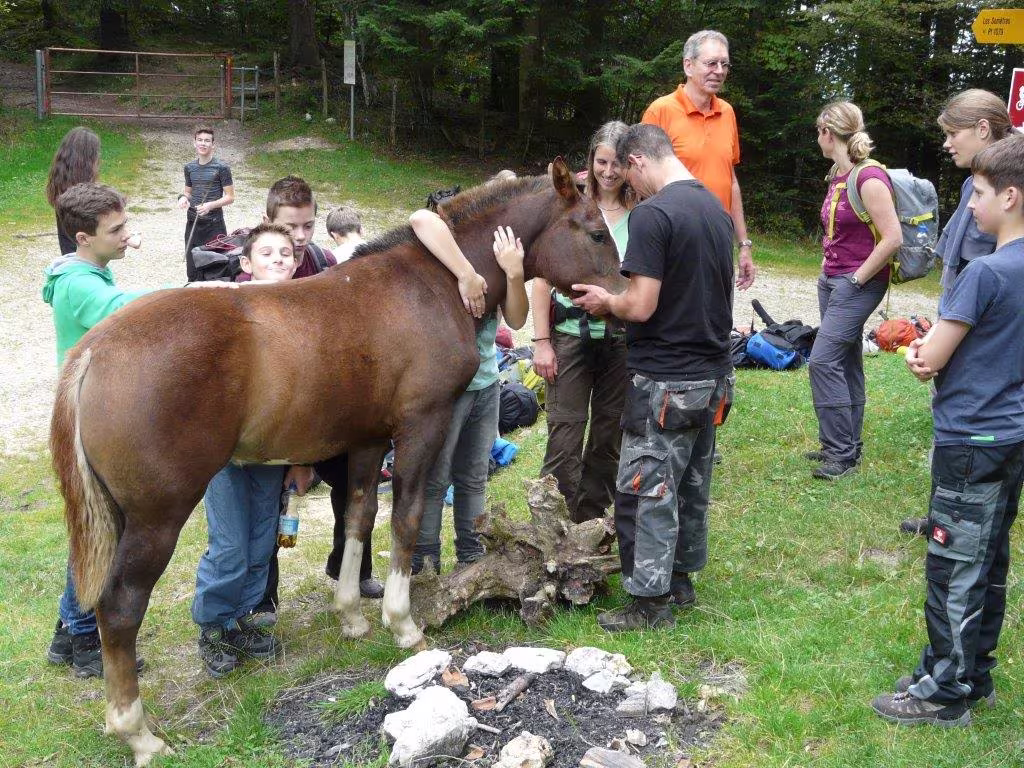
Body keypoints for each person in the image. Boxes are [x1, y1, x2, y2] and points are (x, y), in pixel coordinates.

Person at [43, 183, 232, 677]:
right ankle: (82, 635)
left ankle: (71, 631)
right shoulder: (80, 284)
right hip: (95, 414)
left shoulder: (88, 271)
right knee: (100, 527)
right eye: (117, 229)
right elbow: (127, 309)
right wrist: (192, 293)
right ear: (83, 238)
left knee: (101, 525)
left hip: (96, 408)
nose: (128, 236)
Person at [870, 134, 1024, 727]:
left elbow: (931, 356)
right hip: (1010, 436)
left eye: (979, 194)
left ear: (1009, 196)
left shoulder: (985, 272)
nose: (972, 205)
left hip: (969, 439)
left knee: (953, 564)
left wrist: (917, 357)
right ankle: (973, 671)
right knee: (989, 558)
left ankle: (943, 691)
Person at [572, 124, 734, 631]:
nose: (627, 184)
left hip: (665, 378)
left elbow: (640, 305)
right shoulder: (714, 208)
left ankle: (649, 602)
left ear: (639, 162)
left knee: (645, 488)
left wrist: (605, 302)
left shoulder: (653, 214)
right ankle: (681, 580)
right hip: (712, 375)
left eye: (627, 173)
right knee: (690, 484)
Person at [192, 224, 312, 678]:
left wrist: (301, 457)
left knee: (263, 539)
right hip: (227, 452)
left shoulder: (303, 315)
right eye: (267, 253)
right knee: (229, 544)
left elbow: (307, 397)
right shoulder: (226, 308)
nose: (279, 259)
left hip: (274, 453)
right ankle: (214, 625)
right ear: (246, 264)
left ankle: (241, 617)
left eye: (286, 252)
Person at [899, 89, 1012, 536]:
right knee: (946, 412)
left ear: (983, 129)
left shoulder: (1005, 187)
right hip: (958, 316)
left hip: (980, 330)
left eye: (953, 133)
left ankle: (953, 521)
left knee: (967, 422)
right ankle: (943, 513)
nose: (946, 143)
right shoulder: (974, 180)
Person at [410, 210, 529, 574]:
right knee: (434, 478)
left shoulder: (501, 257)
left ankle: (471, 559)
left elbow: (518, 320)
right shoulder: (449, 250)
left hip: (487, 383)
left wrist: (514, 272)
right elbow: (420, 218)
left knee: (474, 477)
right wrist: (465, 274)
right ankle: (425, 565)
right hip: (447, 389)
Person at [531, 121, 633, 523]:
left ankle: (589, 528)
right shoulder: (568, 205)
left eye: (618, 163)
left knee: (609, 439)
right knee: (565, 437)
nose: (609, 171)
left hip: (619, 341)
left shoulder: (641, 210)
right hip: (570, 338)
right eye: (602, 161)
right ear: (591, 160)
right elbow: (541, 277)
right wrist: (541, 341)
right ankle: (551, 530)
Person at [804, 101, 901, 480]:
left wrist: (857, 279)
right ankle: (847, 444)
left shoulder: (869, 178)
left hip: (858, 283)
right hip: (833, 280)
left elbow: (892, 238)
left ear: (828, 133)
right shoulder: (837, 174)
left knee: (823, 361)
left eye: (819, 131)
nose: (818, 138)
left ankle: (840, 455)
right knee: (845, 361)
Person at [642, 29, 756, 291]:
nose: (719, 70)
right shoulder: (660, 111)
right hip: (675, 237)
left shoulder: (727, 112)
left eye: (724, 64)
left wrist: (744, 245)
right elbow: (640, 178)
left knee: (717, 318)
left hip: (719, 237)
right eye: (711, 63)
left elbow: (731, 181)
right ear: (688, 65)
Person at [177, 125, 234, 281]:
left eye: (207, 141)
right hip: (193, 222)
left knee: (216, 266)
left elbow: (230, 197)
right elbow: (188, 192)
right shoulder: (189, 167)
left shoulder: (222, 168)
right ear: (194, 143)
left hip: (214, 224)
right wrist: (183, 198)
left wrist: (210, 205)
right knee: (192, 267)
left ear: (213, 145)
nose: (203, 144)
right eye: (200, 140)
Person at [46, 127, 101, 256]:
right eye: (96, 153)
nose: (99, 157)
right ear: (87, 160)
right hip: (85, 260)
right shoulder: (84, 197)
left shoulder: (61, 186)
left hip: (70, 257)